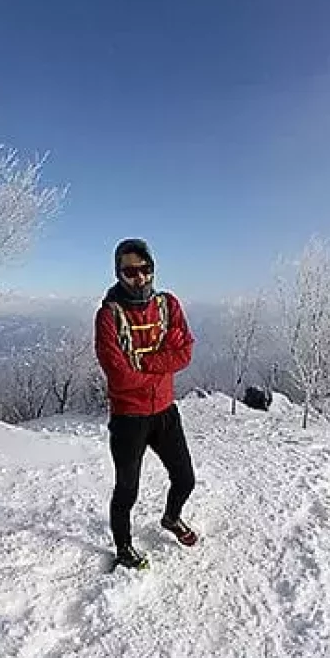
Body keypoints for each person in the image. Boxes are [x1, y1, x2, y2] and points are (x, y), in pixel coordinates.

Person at [94, 238, 199, 570]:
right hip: (129, 418)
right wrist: (160, 364)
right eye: (129, 271)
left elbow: (184, 354)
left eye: (145, 269)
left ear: (153, 268)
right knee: (127, 490)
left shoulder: (168, 305)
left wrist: (142, 362)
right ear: (118, 273)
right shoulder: (109, 316)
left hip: (165, 411)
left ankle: (171, 518)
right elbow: (119, 377)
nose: (139, 277)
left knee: (185, 479)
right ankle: (123, 547)